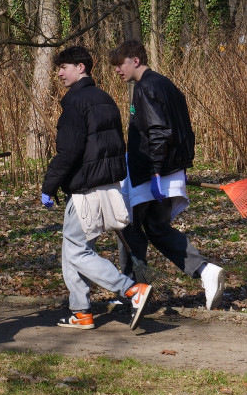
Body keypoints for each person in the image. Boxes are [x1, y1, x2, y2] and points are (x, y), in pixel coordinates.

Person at [109, 39, 227, 310]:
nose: (117, 70)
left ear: (135, 60)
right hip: (169, 172)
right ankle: (205, 271)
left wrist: (155, 172)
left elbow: (159, 132)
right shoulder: (168, 85)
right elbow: (182, 129)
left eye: (120, 64)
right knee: (156, 227)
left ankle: (135, 292)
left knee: (130, 230)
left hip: (152, 175)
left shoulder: (145, 87)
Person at [40, 45, 153, 329]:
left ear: (81, 67)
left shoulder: (75, 101)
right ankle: (81, 312)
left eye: (64, 67)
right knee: (73, 249)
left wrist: (49, 184)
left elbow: (69, 150)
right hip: (106, 183)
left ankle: (130, 289)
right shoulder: (104, 98)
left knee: (77, 250)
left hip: (85, 188)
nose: (60, 74)